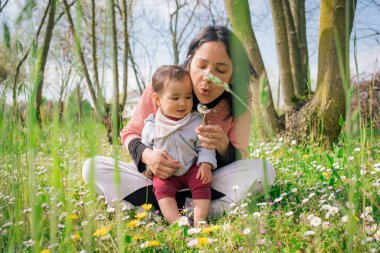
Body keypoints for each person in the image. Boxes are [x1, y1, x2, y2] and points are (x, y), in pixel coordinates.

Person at [82, 25, 276, 217]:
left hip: (204, 178)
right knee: (92, 168)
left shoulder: (239, 102)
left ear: (233, 74)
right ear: (189, 61)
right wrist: (149, 157)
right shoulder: (163, 86)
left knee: (264, 170)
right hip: (158, 178)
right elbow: (130, 133)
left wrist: (224, 146)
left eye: (221, 70)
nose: (208, 78)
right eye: (201, 66)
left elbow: (240, 155)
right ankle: (203, 209)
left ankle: (153, 209)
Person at [142, 65, 217, 226]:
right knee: (161, 189)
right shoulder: (152, 125)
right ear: (157, 99)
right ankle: (177, 223)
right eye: (175, 98)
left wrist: (206, 164)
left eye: (188, 97)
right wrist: (148, 165)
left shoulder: (195, 121)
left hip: (191, 167)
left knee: (202, 181)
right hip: (167, 173)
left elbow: (205, 146)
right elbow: (145, 148)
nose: (183, 103)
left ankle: (200, 220)